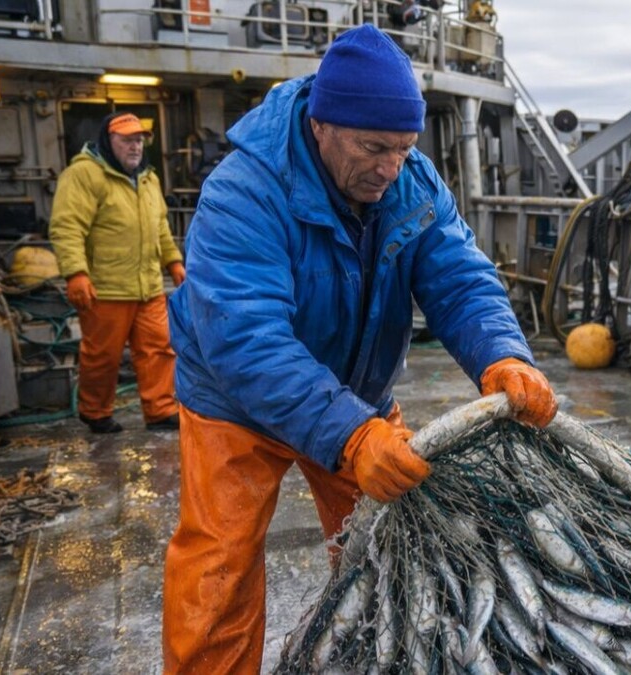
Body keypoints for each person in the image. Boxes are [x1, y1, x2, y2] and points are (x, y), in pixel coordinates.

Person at [161, 25, 558, 673]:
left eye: (404, 149)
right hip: (236, 407)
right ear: (322, 126)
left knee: (394, 544)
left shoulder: (410, 183)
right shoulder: (243, 191)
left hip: (357, 396)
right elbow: (246, 341)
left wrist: (501, 354)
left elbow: (459, 277)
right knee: (218, 570)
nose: (389, 168)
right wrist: (351, 435)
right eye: (375, 147)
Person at [49, 111, 184, 434]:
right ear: (108, 142)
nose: (135, 146)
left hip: (148, 286)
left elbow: (161, 227)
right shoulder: (83, 175)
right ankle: (95, 411)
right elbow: (67, 227)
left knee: (159, 349)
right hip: (106, 288)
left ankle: (160, 409)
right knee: (102, 356)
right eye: (127, 140)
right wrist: (76, 273)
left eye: (139, 140)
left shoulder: (149, 178)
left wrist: (174, 262)